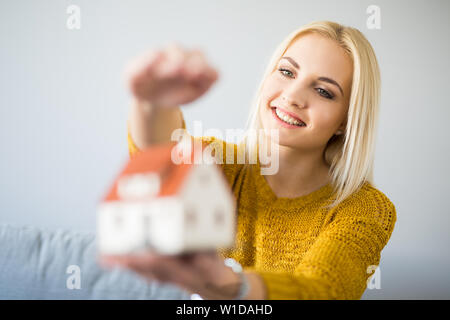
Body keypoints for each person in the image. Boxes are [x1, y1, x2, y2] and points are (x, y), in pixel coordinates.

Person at [100, 20, 397, 300]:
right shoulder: (217, 162)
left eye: (323, 91)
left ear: (347, 120)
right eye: (287, 72)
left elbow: (323, 290)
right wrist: (153, 101)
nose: (292, 96)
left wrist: (223, 282)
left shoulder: (364, 209)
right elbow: (158, 154)